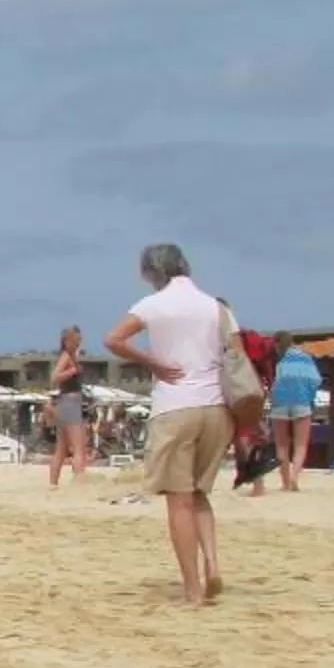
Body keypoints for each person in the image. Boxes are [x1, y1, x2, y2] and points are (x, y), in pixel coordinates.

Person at [104, 242, 229, 605]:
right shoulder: (215, 306)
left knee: (179, 502)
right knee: (199, 493)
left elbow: (113, 339)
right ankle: (213, 563)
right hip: (216, 407)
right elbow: (234, 351)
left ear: (151, 272)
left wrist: (153, 363)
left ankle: (193, 588)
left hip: (176, 406)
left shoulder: (153, 304)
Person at [269, 334, 320, 492]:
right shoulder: (306, 358)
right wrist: (309, 397)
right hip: (302, 402)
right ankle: (294, 477)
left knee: (281, 445)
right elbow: (315, 381)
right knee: (301, 445)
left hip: (279, 403)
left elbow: (272, 382)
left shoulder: (278, 361)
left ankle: (285, 482)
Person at [48, 326, 93, 485]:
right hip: (70, 404)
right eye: (76, 340)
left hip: (64, 404)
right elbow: (54, 378)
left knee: (61, 449)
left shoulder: (70, 356)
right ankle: (80, 482)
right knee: (79, 448)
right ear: (67, 341)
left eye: (80, 340)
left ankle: (53, 484)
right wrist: (73, 370)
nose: (79, 343)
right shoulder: (66, 356)